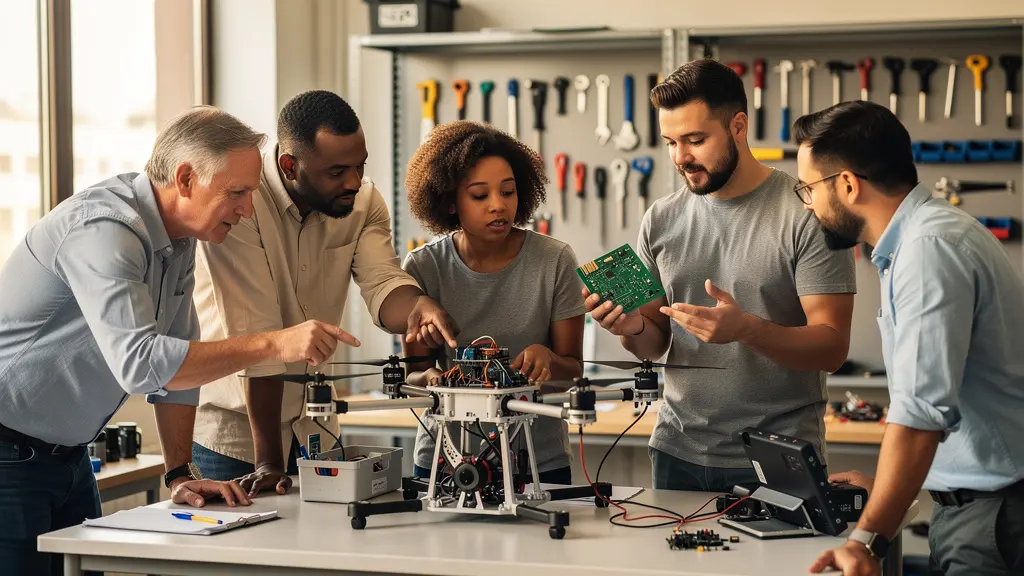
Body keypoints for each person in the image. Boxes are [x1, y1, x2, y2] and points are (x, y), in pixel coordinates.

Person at [0, 106, 356, 575]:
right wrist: (275, 345)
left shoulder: (179, 241)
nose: (247, 209)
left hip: (68, 459)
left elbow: (177, 366)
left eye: (251, 193)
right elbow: (142, 363)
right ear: (186, 178)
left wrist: (179, 474)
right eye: (237, 193)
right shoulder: (104, 229)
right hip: (9, 458)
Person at [585, 58, 857, 492]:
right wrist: (631, 327)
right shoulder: (661, 218)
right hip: (676, 450)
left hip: (778, 456)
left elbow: (832, 348)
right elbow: (653, 344)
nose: (681, 157)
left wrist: (746, 329)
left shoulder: (806, 213)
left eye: (695, 140)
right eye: (671, 142)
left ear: (738, 127)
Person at [189, 90, 457, 495]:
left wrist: (417, 306)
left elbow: (383, 282)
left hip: (316, 428)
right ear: (290, 166)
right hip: (237, 439)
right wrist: (268, 462)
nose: (354, 181)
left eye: (360, 165)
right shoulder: (241, 205)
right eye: (336, 171)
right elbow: (258, 338)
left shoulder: (362, 201)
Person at [798, 101, 1024, 576]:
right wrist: (885, 489)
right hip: (976, 506)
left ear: (847, 184)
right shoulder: (921, 242)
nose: (808, 205)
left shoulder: (927, 251)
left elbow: (921, 413)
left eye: (809, 189)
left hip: (994, 518)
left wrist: (865, 540)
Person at [401, 120, 586, 484]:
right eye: (480, 195)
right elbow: (413, 375)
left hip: (536, 463)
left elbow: (573, 372)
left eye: (508, 191)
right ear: (449, 201)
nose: (498, 206)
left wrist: (548, 359)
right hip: (445, 460)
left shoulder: (554, 260)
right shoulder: (424, 267)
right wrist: (430, 380)